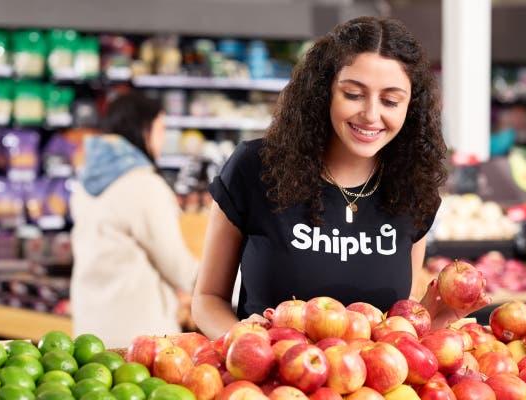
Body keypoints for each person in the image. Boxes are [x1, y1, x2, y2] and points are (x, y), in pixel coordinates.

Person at [191, 16, 490, 339]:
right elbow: (207, 299)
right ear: (324, 91)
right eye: (353, 94)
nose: (371, 115)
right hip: (268, 386)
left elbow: (388, 336)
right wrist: (243, 342)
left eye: (390, 100)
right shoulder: (255, 167)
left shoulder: (413, 190)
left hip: (369, 390)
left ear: (411, 107)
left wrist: (432, 319)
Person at [70, 92, 199, 347]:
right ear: (143, 130)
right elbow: (176, 264)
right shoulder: (144, 184)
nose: (163, 139)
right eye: (160, 128)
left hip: (89, 329)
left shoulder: (86, 183)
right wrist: (222, 286)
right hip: (138, 335)